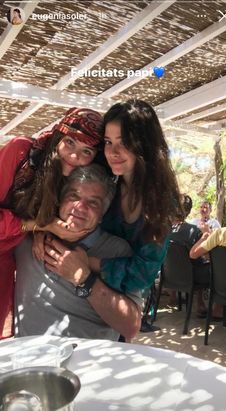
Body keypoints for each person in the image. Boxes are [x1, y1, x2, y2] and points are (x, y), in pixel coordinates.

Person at [44, 100, 183, 299]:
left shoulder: (160, 202)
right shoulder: (105, 180)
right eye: (108, 142)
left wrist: (86, 262)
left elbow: (142, 275)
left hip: (122, 299)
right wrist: (44, 231)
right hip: (74, 285)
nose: (113, 152)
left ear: (144, 145)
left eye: (124, 142)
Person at [0, 107, 103, 338]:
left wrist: (39, 231)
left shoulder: (65, 181)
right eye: (69, 142)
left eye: (86, 151)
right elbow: (32, 220)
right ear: (58, 136)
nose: (75, 157)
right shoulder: (21, 152)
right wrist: (38, 226)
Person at [14, 164, 141, 341]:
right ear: (60, 200)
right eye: (74, 196)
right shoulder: (27, 239)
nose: (80, 207)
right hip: (30, 359)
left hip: (87, 363)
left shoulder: (116, 250)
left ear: (101, 216)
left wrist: (84, 279)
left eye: (93, 202)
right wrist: (39, 226)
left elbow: (131, 328)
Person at [190, 193, 226, 318]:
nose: (203, 209)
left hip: (225, 287)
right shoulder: (193, 222)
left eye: (206, 207)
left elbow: (193, 254)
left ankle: (217, 308)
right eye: (202, 207)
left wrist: (205, 236)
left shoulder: (220, 233)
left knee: (215, 268)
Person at [168, 194, 210, 316]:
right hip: (190, 276)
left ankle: (172, 296)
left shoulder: (165, 230)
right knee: (203, 263)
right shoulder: (194, 231)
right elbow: (202, 253)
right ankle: (200, 303)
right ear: (189, 210)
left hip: (169, 276)